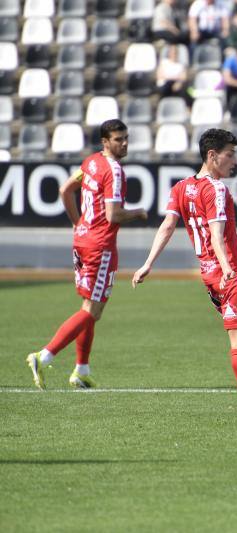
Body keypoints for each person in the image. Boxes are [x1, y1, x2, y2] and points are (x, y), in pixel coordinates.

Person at [131, 129, 237, 425]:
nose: (235, 161)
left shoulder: (182, 187)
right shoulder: (216, 189)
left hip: (211, 274)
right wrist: (228, 268)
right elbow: (217, 235)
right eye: (230, 154)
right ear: (212, 155)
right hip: (230, 273)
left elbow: (167, 226)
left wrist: (147, 263)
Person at [25, 120, 147, 389]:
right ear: (105, 141)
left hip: (82, 241)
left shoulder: (91, 162)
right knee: (92, 309)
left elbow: (65, 189)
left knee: (89, 307)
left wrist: (76, 223)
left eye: (126, 138)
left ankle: (81, 370)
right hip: (100, 247)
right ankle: (43, 356)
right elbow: (113, 214)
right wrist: (138, 213)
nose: (124, 143)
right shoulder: (114, 171)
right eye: (118, 139)